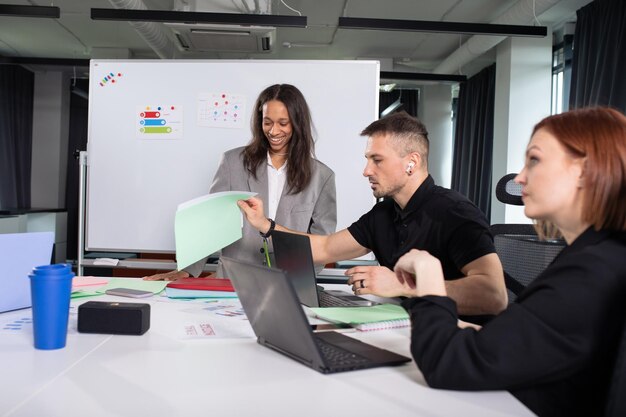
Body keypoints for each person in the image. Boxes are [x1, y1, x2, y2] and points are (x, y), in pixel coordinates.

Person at [393, 107, 626, 417]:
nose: (520, 177)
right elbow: (535, 339)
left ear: (583, 170)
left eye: (535, 159)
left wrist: (430, 279)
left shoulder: (591, 272)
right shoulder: (602, 255)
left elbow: (445, 363)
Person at [238, 112, 507, 318]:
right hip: (407, 327)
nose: (366, 170)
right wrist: (265, 225)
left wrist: (405, 285)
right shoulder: (384, 213)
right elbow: (325, 248)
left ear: (411, 162)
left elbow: (494, 296)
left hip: (459, 339)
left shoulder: (455, 213)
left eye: (376, 160)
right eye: (368, 159)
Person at [145, 84, 336, 280]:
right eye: (267, 122)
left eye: (283, 123)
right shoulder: (232, 162)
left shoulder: (322, 176)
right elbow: (211, 221)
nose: (274, 131)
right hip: (233, 281)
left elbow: (324, 242)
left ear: (298, 123)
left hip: (289, 283)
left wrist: (300, 277)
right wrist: (187, 270)